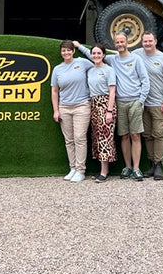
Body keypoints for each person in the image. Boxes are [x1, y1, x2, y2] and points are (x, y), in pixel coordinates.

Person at [78, 34, 149, 181]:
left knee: (135, 135)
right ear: (115, 44)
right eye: (117, 42)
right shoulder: (112, 59)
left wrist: (140, 100)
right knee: (124, 136)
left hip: (135, 100)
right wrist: (79, 46)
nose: (120, 44)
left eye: (122, 42)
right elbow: (94, 54)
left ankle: (136, 169)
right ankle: (127, 167)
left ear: (127, 43)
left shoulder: (136, 59)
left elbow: (145, 81)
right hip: (120, 102)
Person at [50, 40, 93, 182]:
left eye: (69, 50)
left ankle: (81, 170)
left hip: (82, 106)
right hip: (64, 107)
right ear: (61, 52)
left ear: (73, 51)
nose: (66, 53)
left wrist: (80, 46)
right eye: (63, 50)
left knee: (79, 138)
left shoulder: (82, 62)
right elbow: (54, 91)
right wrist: (56, 110)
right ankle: (73, 168)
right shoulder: (57, 69)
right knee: (69, 140)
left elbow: (96, 59)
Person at [134, 31, 163, 181]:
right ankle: (151, 164)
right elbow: (121, 56)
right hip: (143, 103)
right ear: (142, 42)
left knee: (158, 134)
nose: (147, 44)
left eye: (150, 41)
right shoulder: (137, 54)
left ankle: (159, 164)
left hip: (158, 103)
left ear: (155, 41)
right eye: (145, 41)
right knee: (147, 135)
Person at [86, 44, 117, 182]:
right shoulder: (90, 70)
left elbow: (112, 91)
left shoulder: (109, 70)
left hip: (105, 104)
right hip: (94, 104)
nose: (96, 56)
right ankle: (102, 169)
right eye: (94, 53)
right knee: (97, 137)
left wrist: (109, 111)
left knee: (105, 137)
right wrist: (78, 45)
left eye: (99, 53)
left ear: (104, 55)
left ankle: (104, 172)